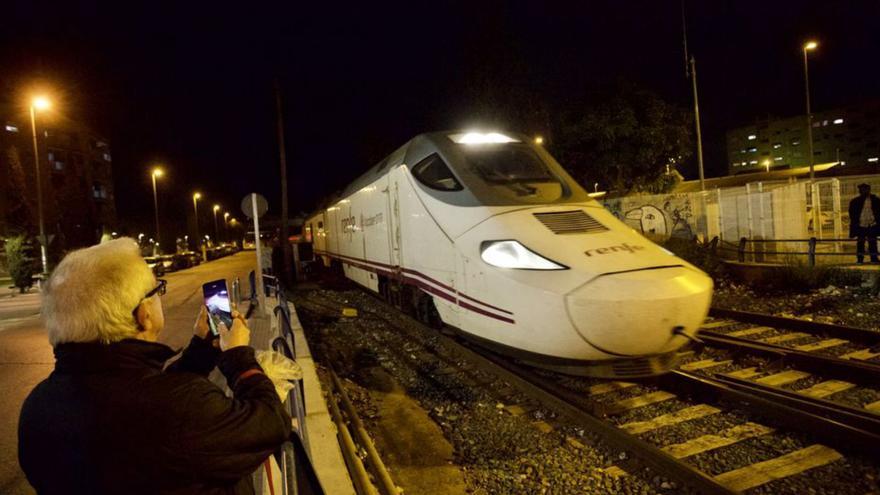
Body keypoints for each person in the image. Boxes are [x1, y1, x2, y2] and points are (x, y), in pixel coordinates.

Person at [18, 238, 291, 494]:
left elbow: (145, 401)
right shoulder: (185, 407)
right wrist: (238, 355)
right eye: (158, 289)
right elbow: (271, 422)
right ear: (144, 314)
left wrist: (201, 351)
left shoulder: (36, 408)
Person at [848, 183, 880, 264]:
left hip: (871, 224)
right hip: (862, 225)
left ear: (868, 190)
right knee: (861, 243)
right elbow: (852, 214)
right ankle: (861, 259)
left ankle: (872, 258)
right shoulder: (856, 201)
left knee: (871, 242)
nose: (862, 191)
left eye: (864, 189)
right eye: (861, 190)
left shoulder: (875, 200)